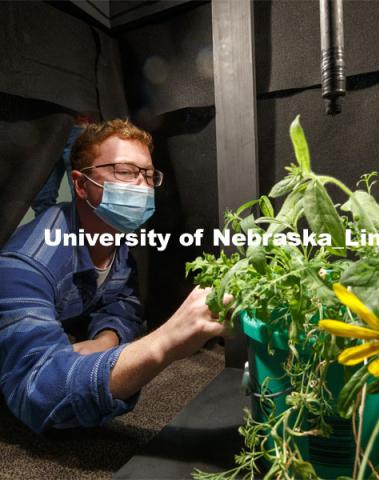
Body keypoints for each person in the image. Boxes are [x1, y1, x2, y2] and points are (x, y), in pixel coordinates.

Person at [0, 119, 230, 433]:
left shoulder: (115, 237)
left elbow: (122, 301)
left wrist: (105, 339)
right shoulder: (28, 263)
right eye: (124, 172)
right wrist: (165, 343)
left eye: (148, 174)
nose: (142, 186)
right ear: (81, 185)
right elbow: (37, 392)